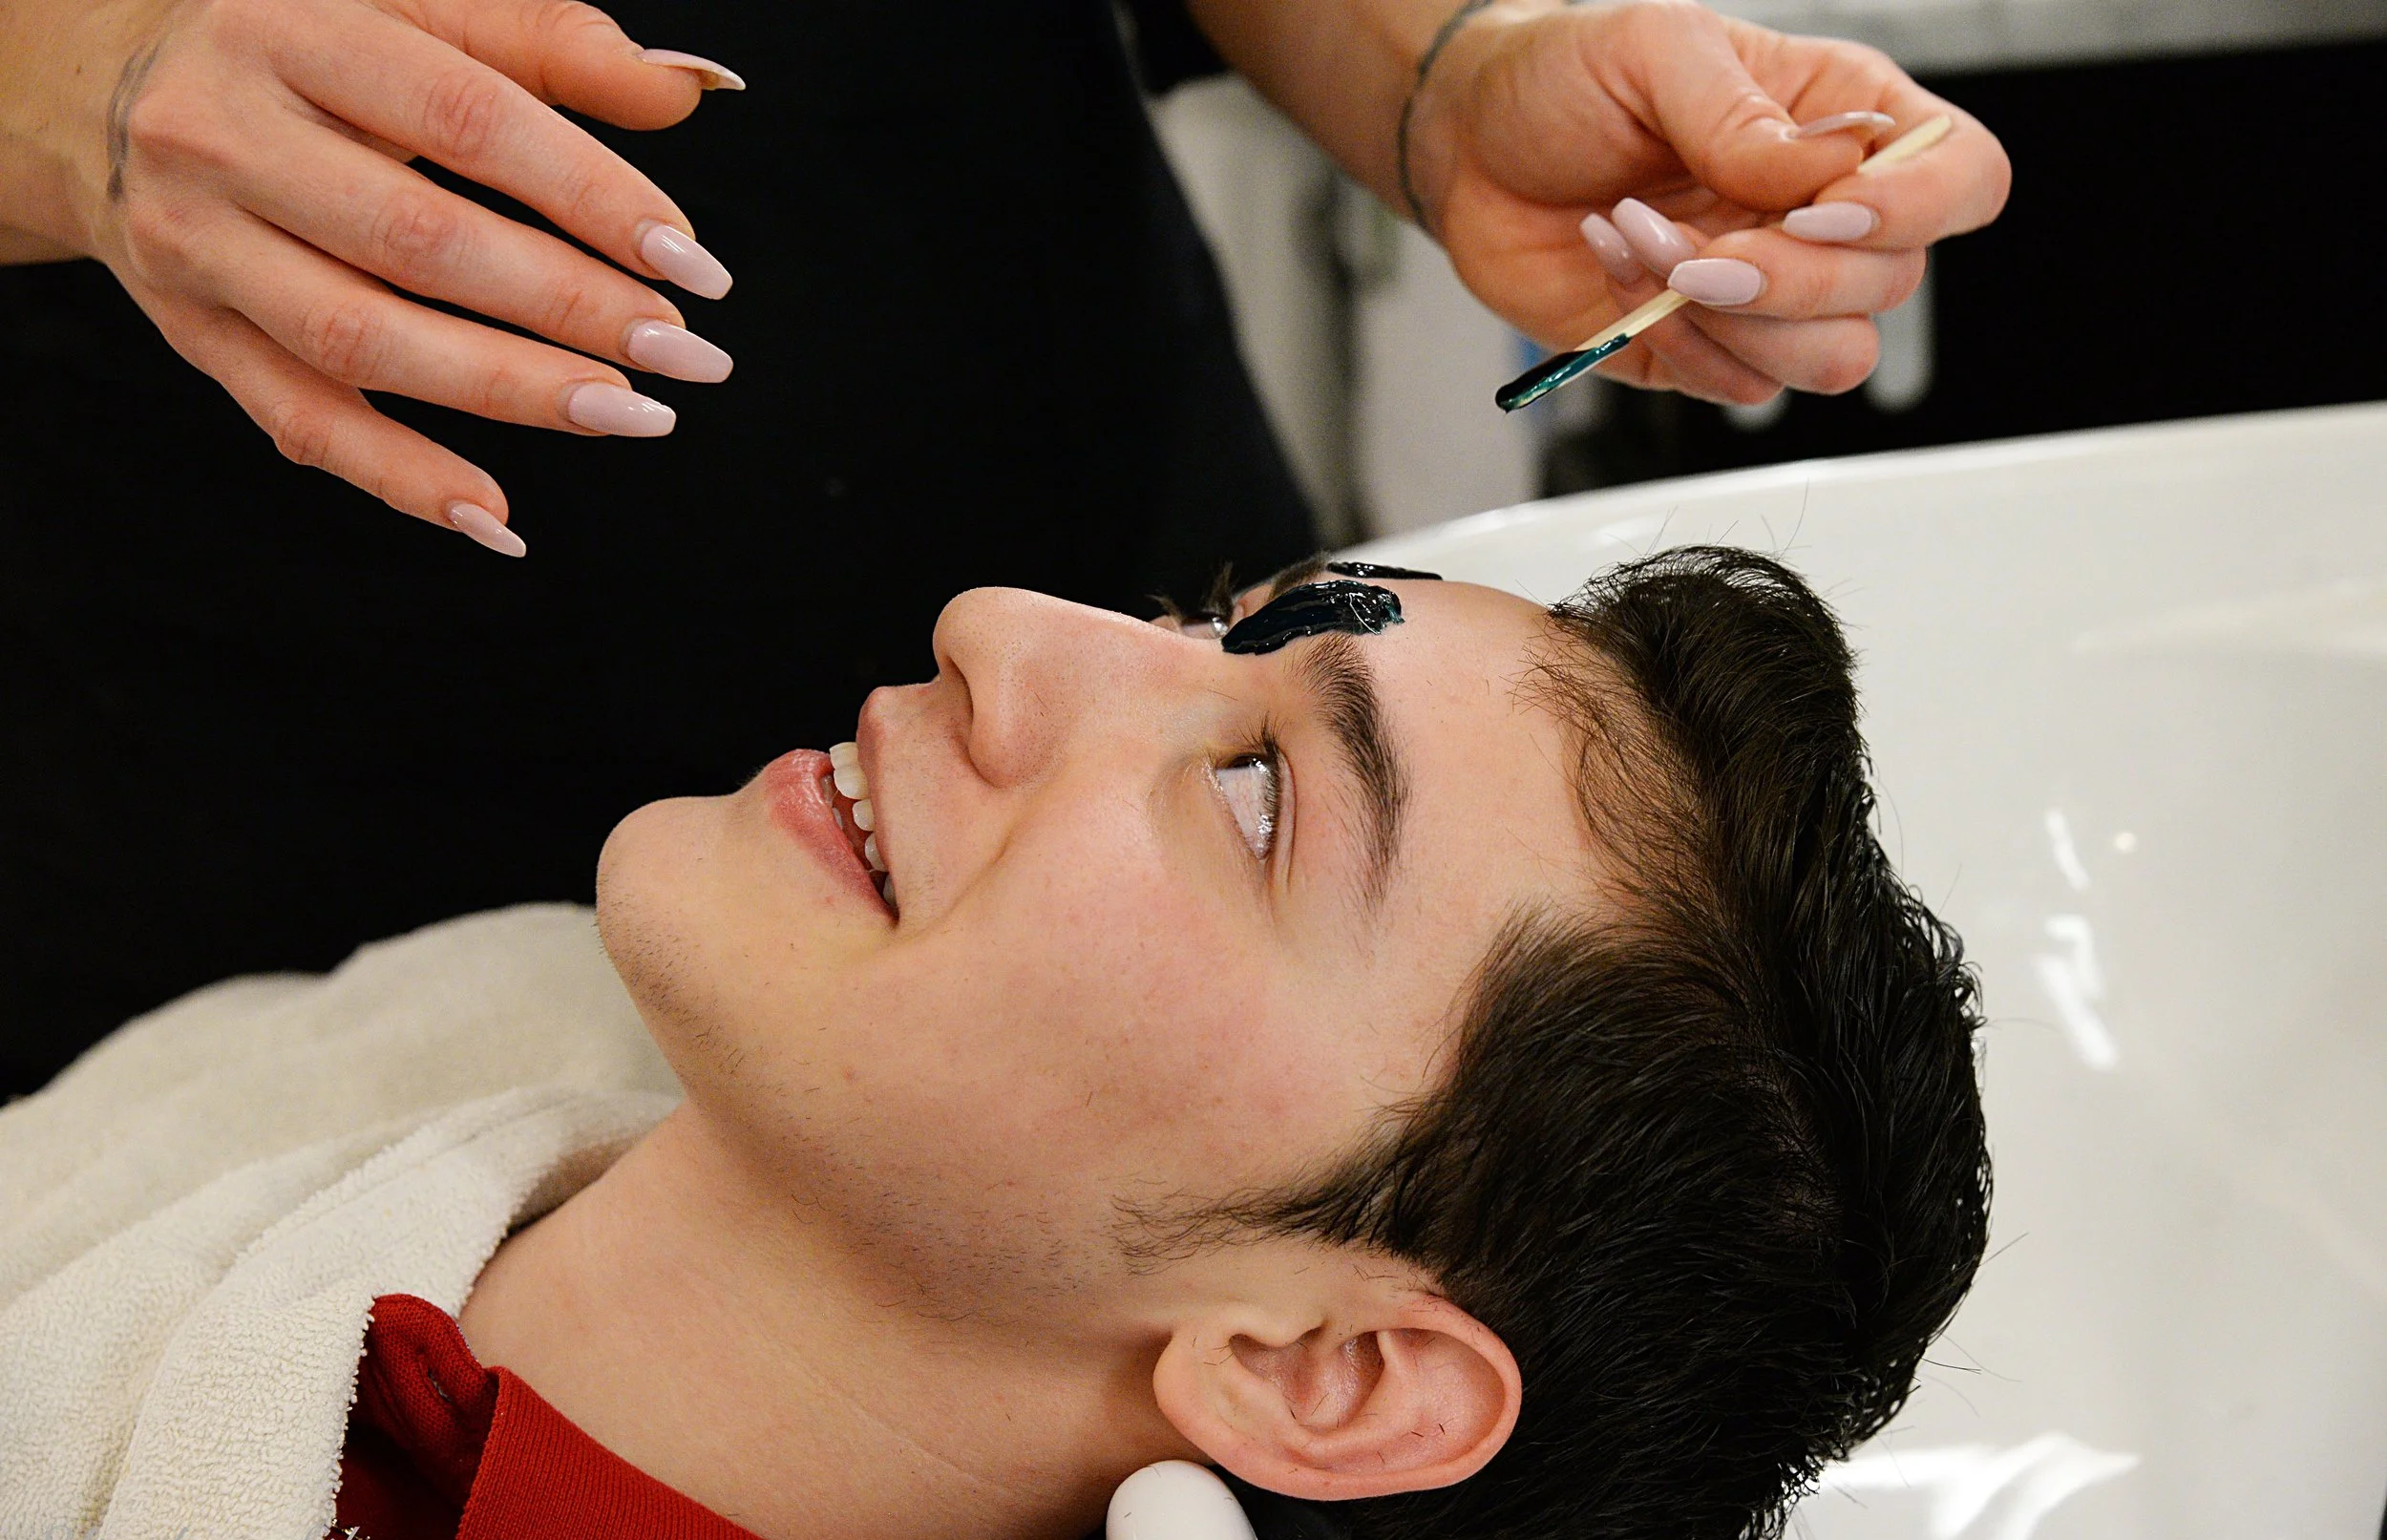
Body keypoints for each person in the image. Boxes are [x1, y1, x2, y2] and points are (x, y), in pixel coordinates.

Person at [0, 0, 2010, 1091]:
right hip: (203, 728)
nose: (990, 636)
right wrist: (66, 93)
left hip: (1052, 381)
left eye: (1251, 756)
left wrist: (1442, 75)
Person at [0, 549, 1991, 1540]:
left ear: (1325, 1369)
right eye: (1200, 618)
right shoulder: (424, 1039)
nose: (999, 628)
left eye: (1257, 796)